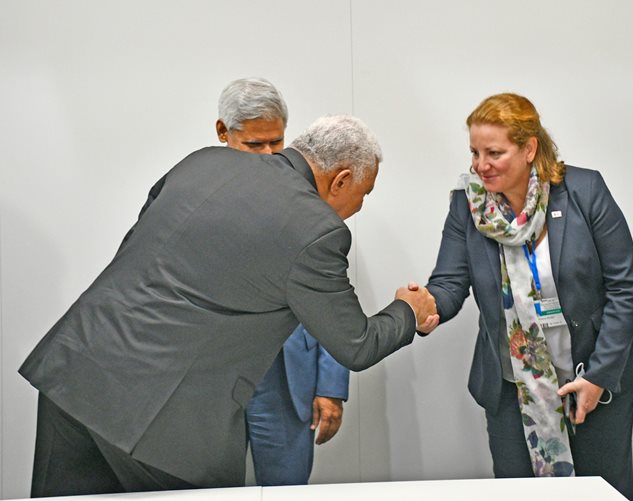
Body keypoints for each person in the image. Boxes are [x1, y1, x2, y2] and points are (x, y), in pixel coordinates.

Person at [19, 114, 439, 497]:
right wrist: (409, 310)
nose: (359, 207)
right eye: (364, 194)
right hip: (161, 422)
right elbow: (356, 344)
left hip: (73, 371)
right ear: (341, 180)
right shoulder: (316, 229)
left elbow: (137, 248)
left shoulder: (202, 162)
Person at [423, 93, 633, 499]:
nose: (480, 165)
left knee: (601, 493)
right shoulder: (467, 206)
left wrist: (598, 376)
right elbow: (449, 284)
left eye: (494, 153)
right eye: (475, 152)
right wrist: (424, 306)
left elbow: (625, 285)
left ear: (529, 149)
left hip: (592, 382)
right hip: (513, 393)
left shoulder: (582, 191)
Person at [215, 77, 350, 486]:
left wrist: (331, 385)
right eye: (255, 144)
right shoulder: (198, 199)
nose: (269, 155)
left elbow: (332, 297)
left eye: (277, 142)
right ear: (223, 132)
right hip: (216, 377)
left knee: (287, 490)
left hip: (287, 378)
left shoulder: (308, 200)